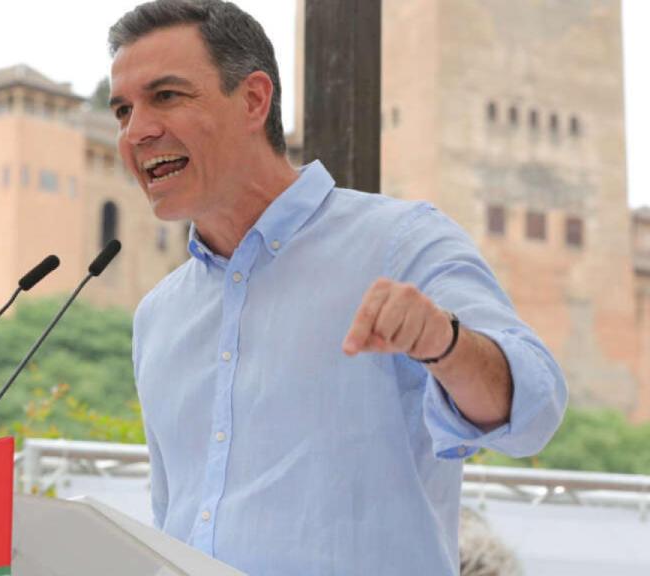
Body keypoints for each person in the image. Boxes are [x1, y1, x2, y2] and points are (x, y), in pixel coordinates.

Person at [107, 1, 567, 574]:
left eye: (166, 96)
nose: (137, 131)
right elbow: (171, 518)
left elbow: (534, 410)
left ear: (253, 99)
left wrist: (445, 344)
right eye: (123, 109)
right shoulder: (158, 316)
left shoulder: (401, 241)